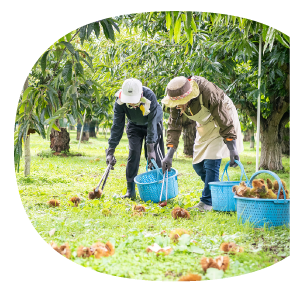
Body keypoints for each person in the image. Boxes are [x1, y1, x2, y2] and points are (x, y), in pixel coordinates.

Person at [161, 75, 243, 211]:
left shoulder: (207, 91)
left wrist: (232, 148)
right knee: (198, 165)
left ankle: (207, 202)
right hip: (205, 124)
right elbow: (174, 127)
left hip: (222, 119)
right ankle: (218, 192)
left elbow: (223, 119)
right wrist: (169, 155)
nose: (178, 106)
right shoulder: (176, 100)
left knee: (211, 160)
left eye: (182, 102)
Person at [106, 78, 164, 200]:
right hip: (133, 125)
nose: (132, 105)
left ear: (141, 95)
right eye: (129, 101)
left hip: (152, 123)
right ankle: (130, 191)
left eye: (134, 101)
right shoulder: (119, 101)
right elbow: (117, 125)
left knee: (154, 157)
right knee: (133, 153)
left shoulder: (150, 96)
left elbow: (152, 124)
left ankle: (159, 190)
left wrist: (151, 149)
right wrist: (110, 150)